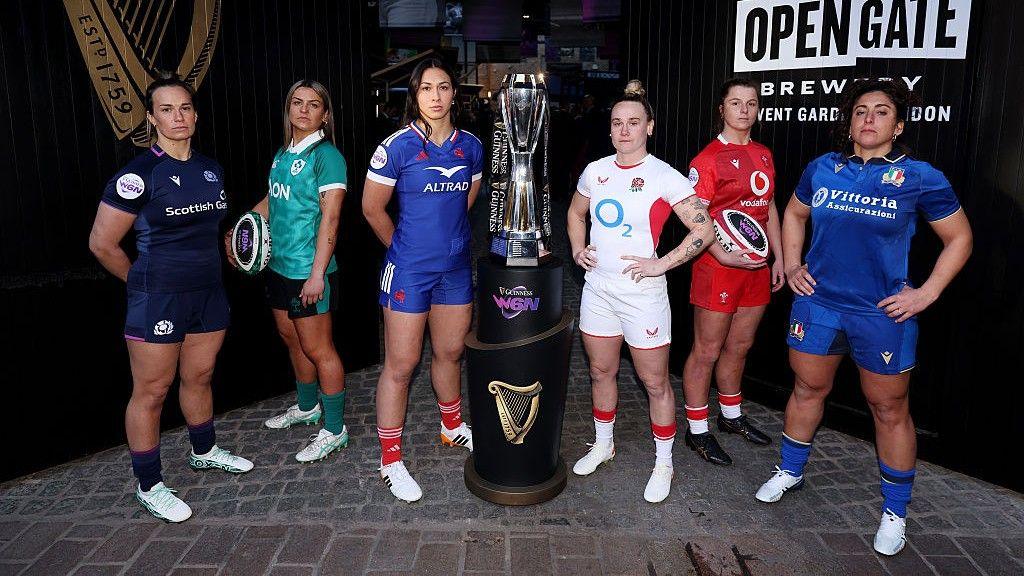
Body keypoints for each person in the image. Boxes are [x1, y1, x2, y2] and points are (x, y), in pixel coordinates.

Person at [755, 80, 972, 556]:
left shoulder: (919, 176)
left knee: (889, 409)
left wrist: (927, 293)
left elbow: (960, 238)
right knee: (807, 389)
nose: (869, 118)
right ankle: (790, 470)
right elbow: (793, 214)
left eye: (881, 111)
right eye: (860, 111)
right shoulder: (822, 167)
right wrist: (792, 264)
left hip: (881, 313)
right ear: (849, 122)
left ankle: (895, 512)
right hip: (818, 305)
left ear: (898, 126)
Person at [89, 76, 253, 523]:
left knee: (199, 376)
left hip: (209, 293)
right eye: (166, 109)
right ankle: (149, 484)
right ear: (151, 118)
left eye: (184, 108)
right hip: (158, 299)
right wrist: (142, 283)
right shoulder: (138, 175)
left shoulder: (211, 168)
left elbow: (212, 230)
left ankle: (204, 450)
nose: (178, 117)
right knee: (152, 390)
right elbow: (102, 244)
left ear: (195, 115)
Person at [568, 80, 714, 503]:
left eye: (633, 122)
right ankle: (603, 444)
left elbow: (704, 229)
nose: (624, 130)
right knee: (601, 371)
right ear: (610, 128)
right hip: (598, 290)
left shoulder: (663, 175)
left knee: (654, 382)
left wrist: (661, 264)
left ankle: (664, 462)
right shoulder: (595, 170)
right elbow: (575, 213)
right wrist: (577, 249)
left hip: (642, 294)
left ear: (649, 127)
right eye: (617, 123)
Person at [362, 58, 483, 503]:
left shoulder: (471, 146)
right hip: (409, 270)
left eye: (444, 87)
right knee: (402, 364)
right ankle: (390, 460)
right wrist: (406, 249)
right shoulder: (396, 147)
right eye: (427, 88)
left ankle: (451, 426)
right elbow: (371, 208)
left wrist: (445, 243)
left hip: (455, 268)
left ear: (454, 94)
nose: (436, 96)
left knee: (450, 353)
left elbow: (466, 199)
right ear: (415, 95)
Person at [241, 80, 349, 463]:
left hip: (308, 271)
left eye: (313, 104)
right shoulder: (283, 153)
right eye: (297, 103)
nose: (304, 110)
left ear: (325, 114)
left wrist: (317, 274)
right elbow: (272, 200)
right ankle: (307, 408)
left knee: (320, 350)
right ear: (288, 109)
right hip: (278, 266)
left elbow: (331, 219)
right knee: (293, 340)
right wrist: (245, 224)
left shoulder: (327, 157)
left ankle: (335, 429)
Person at [681, 79, 785, 466]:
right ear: (721, 109)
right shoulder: (707, 159)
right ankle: (696, 430)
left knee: (739, 347)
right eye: (736, 103)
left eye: (751, 103)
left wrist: (778, 257)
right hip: (718, 268)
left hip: (755, 269)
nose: (744, 110)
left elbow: (769, 206)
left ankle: (730, 416)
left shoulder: (763, 153)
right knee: (706, 351)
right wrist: (724, 257)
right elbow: (696, 219)